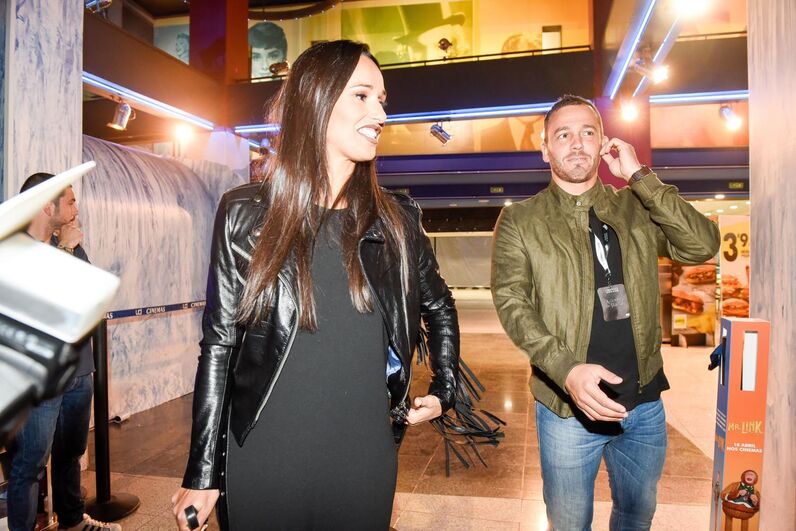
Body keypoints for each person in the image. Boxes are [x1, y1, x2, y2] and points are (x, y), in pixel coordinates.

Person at [171, 40, 459, 531]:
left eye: (382, 100)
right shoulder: (244, 214)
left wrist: (445, 385)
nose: (380, 114)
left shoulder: (397, 220)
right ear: (316, 100)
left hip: (362, 460)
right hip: (264, 457)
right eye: (362, 96)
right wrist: (202, 471)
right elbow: (219, 345)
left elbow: (439, 303)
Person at [491, 95, 720, 530]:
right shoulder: (521, 220)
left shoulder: (635, 206)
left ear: (603, 144)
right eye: (563, 135)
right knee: (570, 523)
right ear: (545, 149)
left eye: (587, 133)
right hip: (565, 408)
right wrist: (567, 370)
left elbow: (702, 244)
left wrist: (639, 176)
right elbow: (512, 302)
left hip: (643, 403)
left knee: (636, 516)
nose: (577, 143)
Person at [7, 173, 121, 531]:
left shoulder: (67, 244)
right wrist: (66, 252)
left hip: (78, 371)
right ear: (47, 206)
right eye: (70, 201)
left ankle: (72, 521)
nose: (76, 208)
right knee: (29, 465)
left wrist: (70, 251)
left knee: (70, 453)